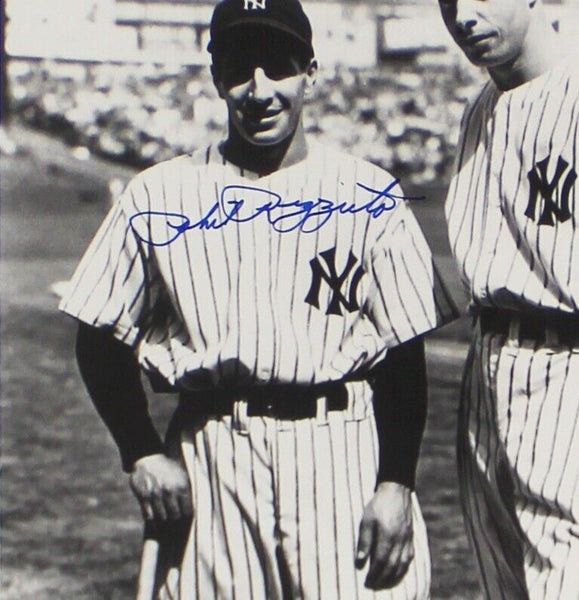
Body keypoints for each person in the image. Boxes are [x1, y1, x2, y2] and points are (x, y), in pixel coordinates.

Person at [60, 0, 457, 597]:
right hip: (213, 455)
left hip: (338, 451)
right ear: (217, 77)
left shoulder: (370, 195)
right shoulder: (159, 194)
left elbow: (404, 356)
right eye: (240, 69)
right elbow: (98, 332)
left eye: (278, 67)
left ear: (310, 73)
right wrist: (140, 451)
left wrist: (396, 483)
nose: (259, 90)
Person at [438, 1, 579, 598]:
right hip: (488, 367)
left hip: (566, 363)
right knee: (502, 581)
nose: (463, 16)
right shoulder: (480, 108)